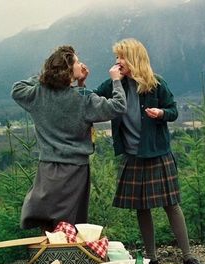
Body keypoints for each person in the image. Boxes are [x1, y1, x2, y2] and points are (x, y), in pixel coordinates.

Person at [94, 38, 203, 264]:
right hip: (133, 155)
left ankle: (188, 257)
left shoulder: (156, 84)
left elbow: (173, 111)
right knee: (141, 207)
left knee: (171, 205)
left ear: (134, 58)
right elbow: (92, 99)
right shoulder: (114, 83)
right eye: (116, 57)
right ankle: (152, 258)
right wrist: (103, 82)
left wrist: (161, 112)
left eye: (121, 57)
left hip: (157, 153)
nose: (117, 61)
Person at [11, 45, 126, 232]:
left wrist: (49, 77)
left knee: (47, 220)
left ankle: (49, 257)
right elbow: (118, 106)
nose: (82, 64)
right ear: (68, 70)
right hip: (75, 169)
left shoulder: (38, 94)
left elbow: (17, 89)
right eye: (77, 62)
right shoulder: (83, 100)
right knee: (70, 222)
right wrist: (116, 81)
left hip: (47, 168)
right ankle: (67, 258)